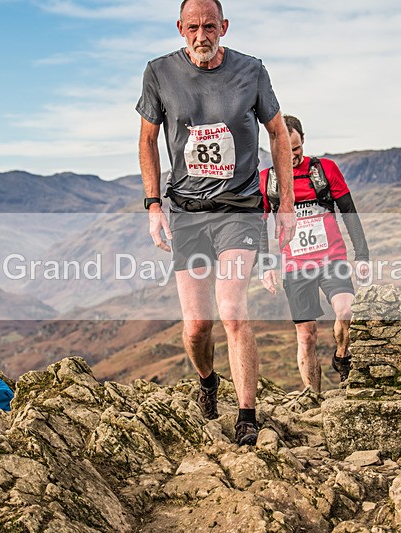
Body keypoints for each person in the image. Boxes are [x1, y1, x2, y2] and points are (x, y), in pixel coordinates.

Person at [137, 0, 296, 445]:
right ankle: (208, 381)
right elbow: (147, 141)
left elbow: (279, 133)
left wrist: (285, 200)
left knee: (232, 312)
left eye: (210, 26)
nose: (201, 35)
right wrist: (153, 205)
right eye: (193, 27)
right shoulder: (159, 73)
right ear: (179, 28)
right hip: (187, 213)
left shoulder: (252, 71)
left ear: (224, 27)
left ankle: (247, 414)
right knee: (196, 327)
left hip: (239, 210)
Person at [259, 115, 370, 393]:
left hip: (332, 260)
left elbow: (349, 212)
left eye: (296, 148)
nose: (292, 155)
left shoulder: (325, 170)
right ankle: (314, 398)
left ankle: (342, 356)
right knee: (306, 336)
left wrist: (362, 255)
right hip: (295, 267)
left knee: (346, 311)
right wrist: (265, 266)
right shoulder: (267, 181)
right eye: (286, 149)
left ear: (303, 141)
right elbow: (258, 225)